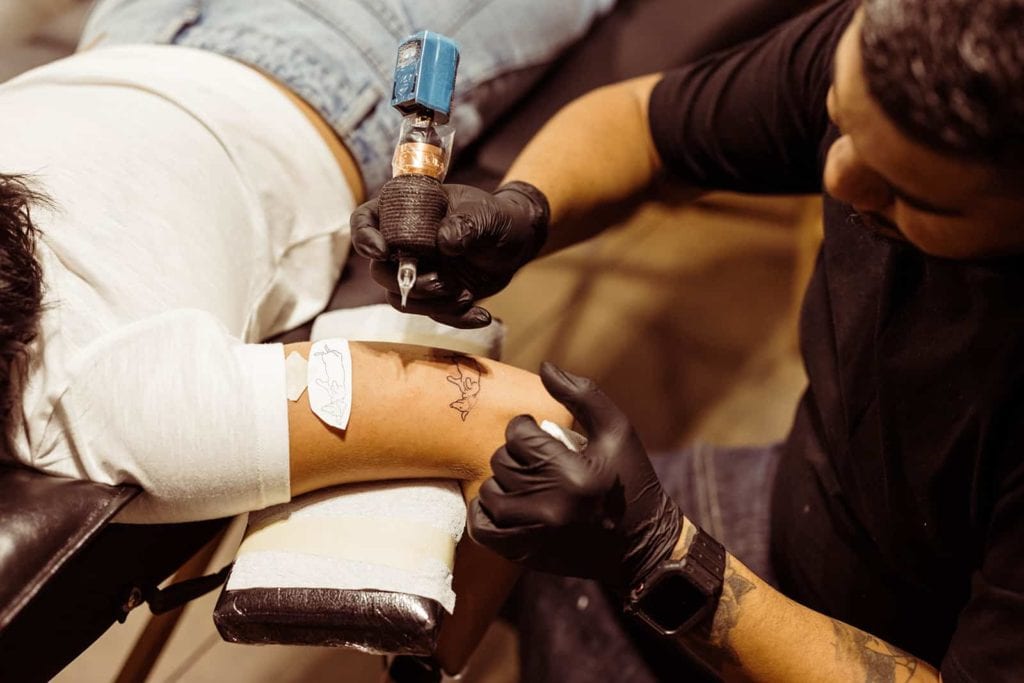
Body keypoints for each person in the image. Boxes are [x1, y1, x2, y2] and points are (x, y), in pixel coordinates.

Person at [351, 0, 1024, 680]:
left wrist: (665, 557)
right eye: (839, 119)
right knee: (533, 557)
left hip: (902, 647)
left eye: (907, 194)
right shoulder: (909, 39)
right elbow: (646, 125)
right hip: (803, 509)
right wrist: (525, 210)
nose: (837, 177)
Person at [0, 0, 614, 674]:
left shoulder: (112, 401)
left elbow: (526, 428)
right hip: (332, 53)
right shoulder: (110, 396)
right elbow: (523, 425)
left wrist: (439, 649)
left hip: (128, 38)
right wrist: (438, 646)